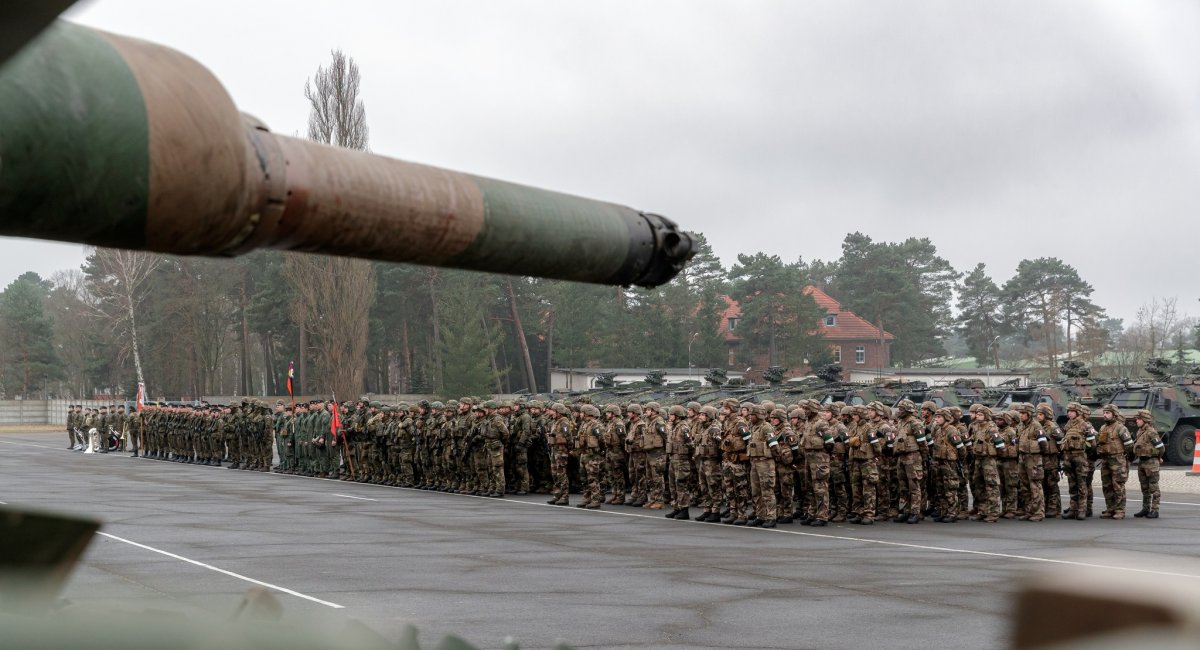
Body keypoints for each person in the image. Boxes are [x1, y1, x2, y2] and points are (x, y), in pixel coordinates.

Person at [1096, 404, 1134, 519]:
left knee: (1118, 485)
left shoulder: (1121, 428)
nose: (1105, 415)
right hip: (1105, 460)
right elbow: (1099, 443)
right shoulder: (1103, 428)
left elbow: (1129, 445)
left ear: (1114, 414)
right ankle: (1110, 508)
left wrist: (1127, 458)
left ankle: (1120, 510)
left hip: (1117, 460)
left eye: (1107, 413)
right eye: (1104, 413)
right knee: (1106, 485)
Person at [1131, 408, 1164, 519]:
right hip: (1142, 462)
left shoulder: (1151, 432)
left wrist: (1158, 457)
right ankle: (1145, 509)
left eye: (1139, 419)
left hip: (1151, 463)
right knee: (1144, 488)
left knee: (1153, 488)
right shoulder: (1140, 431)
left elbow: (1161, 447)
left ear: (1145, 420)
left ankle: (1155, 510)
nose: (1137, 421)